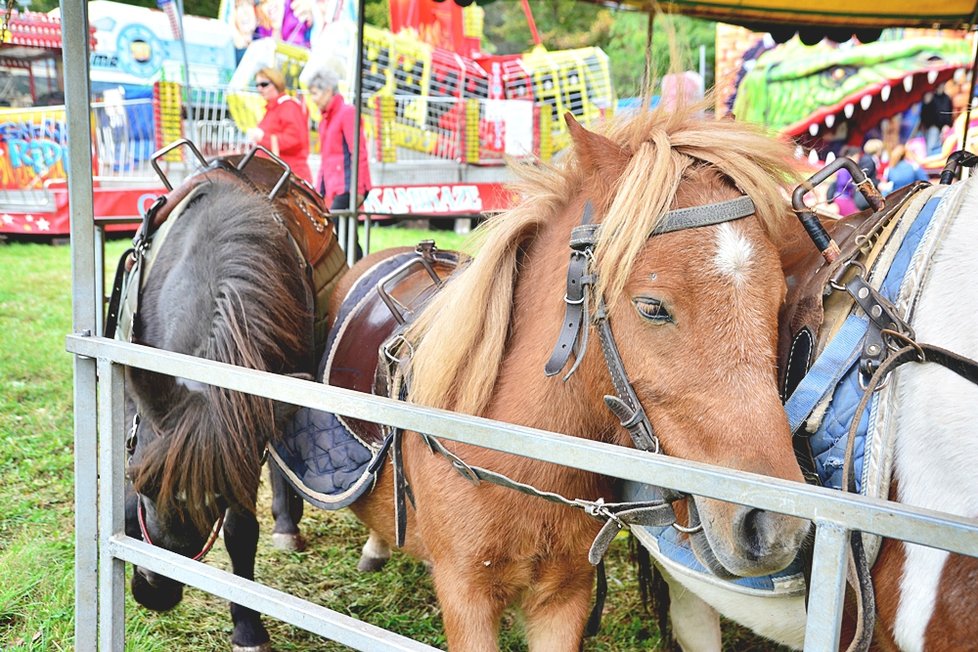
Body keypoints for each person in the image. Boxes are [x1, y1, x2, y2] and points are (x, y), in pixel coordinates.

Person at [307, 68, 372, 260]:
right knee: (345, 233)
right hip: (336, 186)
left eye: (315, 93)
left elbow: (358, 151)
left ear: (328, 91)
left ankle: (356, 268)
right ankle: (356, 267)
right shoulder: (325, 121)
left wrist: (359, 188)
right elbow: (326, 159)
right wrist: (319, 192)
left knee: (341, 231)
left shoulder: (347, 113)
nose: (313, 98)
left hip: (348, 185)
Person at [246, 67, 313, 183]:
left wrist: (263, 138)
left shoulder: (288, 106)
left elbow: (295, 139)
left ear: (276, 83)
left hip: (289, 175)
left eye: (264, 84)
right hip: (276, 174)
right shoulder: (273, 108)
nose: (259, 89)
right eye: (257, 85)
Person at [919, 83, 953, 156]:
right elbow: (924, 115)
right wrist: (926, 103)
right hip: (932, 127)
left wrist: (947, 125)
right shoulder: (931, 97)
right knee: (931, 147)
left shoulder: (947, 98)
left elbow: (949, 113)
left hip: (944, 128)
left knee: (945, 149)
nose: (941, 86)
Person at [829, 145, 861, 216]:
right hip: (842, 198)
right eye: (857, 157)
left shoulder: (846, 168)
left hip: (845, 198)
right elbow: (842, 182)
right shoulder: (844, 169)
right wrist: (854, 184)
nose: (858, 160)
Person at [853, 139, 882, 210]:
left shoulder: (868, 159)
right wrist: (878, 183)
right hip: (864, 196)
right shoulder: (868, 160)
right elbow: (864, 178)